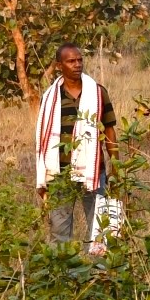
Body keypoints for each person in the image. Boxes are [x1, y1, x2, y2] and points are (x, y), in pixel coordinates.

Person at [34, 43, 118, 244]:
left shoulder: (97, 92)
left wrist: (116, 164)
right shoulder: (50, 98)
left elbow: (108, 129)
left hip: (94, 172)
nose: (77, 64)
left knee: (101, 226)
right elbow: (43, 136)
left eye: (79, 60)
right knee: (59, 231)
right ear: (58, 66)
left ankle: (102, 273)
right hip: (59, 174)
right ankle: (63, 273)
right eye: (71, 61)